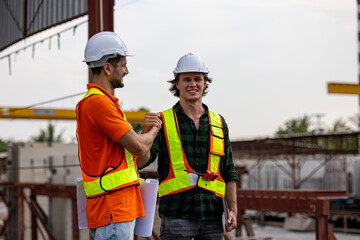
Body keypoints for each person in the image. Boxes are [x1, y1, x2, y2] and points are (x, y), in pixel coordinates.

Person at [139, 53, 238, 240]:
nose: (193, 84)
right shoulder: (162, 121)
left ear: (205, 83)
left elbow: (228, 170)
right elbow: (141, 162)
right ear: (177, 84)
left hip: (212, 216)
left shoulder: (218, 122)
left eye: (197, 79)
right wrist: (146, 135)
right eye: (187, 79)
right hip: (176, 216)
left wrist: (232, 209)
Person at [76, 31, 161, 240]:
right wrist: (154, 131)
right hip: (113, 208)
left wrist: (143, 135)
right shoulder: (99, 104)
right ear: (107, 67)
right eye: (122, 65)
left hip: (114, 208)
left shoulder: (102, 103)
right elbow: (140, 148)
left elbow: (136, 158)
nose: (127, 71)